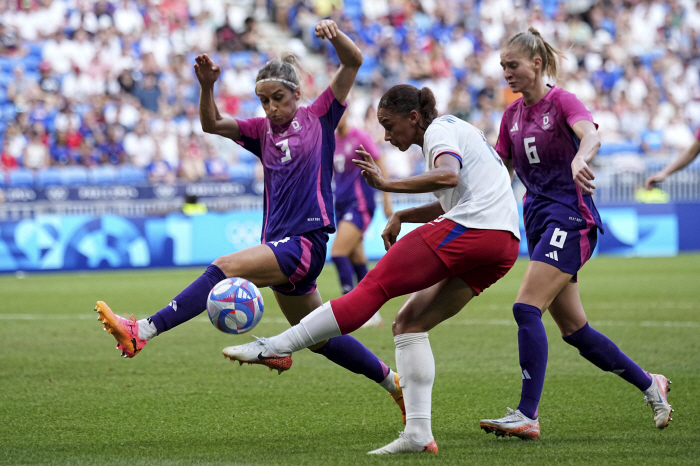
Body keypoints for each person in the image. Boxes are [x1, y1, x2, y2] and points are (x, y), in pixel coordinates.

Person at [94, 19, 404, 418]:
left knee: (223, 267)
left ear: (296, 93)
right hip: (280, 244)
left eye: (278, 98)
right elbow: (211, 123)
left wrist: (334, 34)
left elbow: (353, 60)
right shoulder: (260, 132)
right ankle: (392, 381)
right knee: (319, 338)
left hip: (304, 242)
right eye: (264, 102)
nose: (272, 108)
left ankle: (144, 331)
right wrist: (207, 86)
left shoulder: (320, 116)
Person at [221, 84, 522, 454]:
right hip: (504, 242)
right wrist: (405, 214)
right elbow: (461, 195)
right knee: (409, 323)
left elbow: (449, 177)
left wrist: (387, 184)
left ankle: (274, 346)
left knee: (372, 288)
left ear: (414, 117)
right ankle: (418, 434)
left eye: (389, 124)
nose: (386, 134)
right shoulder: (457, 132)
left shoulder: (440, 130)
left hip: (475, 230)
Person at [478, 28, 672, 441]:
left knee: (526, 308)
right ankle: (649, 383)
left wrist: (580, 158)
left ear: (536, 63)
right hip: (538, 222)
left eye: (512, 65)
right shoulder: (511, 116)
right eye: (502, 67)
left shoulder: (562, 101)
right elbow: (499, 171)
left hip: (570, 218)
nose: (506, 73)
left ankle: (527, 413)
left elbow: (591, 134)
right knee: (576, 332)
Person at [331, 111, 393, 327]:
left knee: (338, 253)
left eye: (339, 112)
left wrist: (387, 199)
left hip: (359, 204)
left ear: (347, 113)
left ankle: (348, 308)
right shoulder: (332, 141)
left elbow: (380, 164)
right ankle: (371, 312)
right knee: (357, 258)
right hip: (341, 205)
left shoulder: (359, 137)